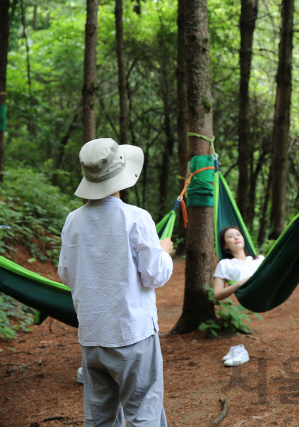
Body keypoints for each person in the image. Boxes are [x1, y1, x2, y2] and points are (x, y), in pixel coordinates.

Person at [58, 138, 174, 426]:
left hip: (92, 335)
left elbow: (65, 273)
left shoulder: (73, 220)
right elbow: (154, 275)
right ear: (122, 177)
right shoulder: (135, 218)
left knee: (99, 416)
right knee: (143, 410)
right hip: (131, 333)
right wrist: (165, 252)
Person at [213, 226, 264, 366]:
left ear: (243, 238)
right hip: (246, 297)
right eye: (230, 236)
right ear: (225, 245)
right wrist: (239, 284)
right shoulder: (225, 264)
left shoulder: (260, 259)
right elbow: (217, 295)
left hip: (266, 294)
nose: (236, 237)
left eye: (238, 234)